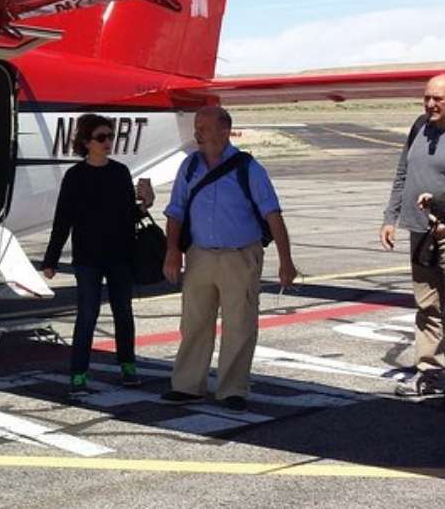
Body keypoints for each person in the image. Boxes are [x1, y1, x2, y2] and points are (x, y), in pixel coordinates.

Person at [161, 105, 297, 412]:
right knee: (194, 322)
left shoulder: (248, 168)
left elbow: (272, 215)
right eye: (196, 127)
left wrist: (285, 261)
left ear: (224, 131)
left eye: (204, 128)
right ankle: (187, 385)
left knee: (239, 324)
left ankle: (233, 389)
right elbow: (176, 212)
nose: (198, 133)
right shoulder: (190, 167)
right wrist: (172, 252)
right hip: (200, 256)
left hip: (239, 257)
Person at [41, 114, 154, 395]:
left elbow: (129, 215)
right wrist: (51, 259)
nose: (108, 142)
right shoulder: (75, 177)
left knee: (123, 313)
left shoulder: (120, 172)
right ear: (86, 142)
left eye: (110, 137)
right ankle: (78, 374)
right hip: (88, 258)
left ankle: (128, 366)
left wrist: (146, 204)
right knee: (88, 314)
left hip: (120, 255)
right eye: (101, 137)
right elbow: (62, 219)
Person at [380, 74, 445, 395]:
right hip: (420, 230)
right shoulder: (419, 127)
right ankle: (430, 371)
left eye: (438, 99)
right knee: (427, 305)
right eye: (426, 97)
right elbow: (403, 173)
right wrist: (391, 217)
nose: (430, 104)